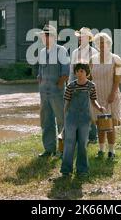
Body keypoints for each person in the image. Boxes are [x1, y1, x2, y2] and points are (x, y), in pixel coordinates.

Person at [61, 63, 105, 177]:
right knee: (69, 143)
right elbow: (66, 103)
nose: (79, 74)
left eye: (82, 71)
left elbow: (93, 100)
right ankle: (66, 170)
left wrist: (99, 107)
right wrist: (64, 118)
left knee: (82, 144)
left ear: (87, 73)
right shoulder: (70, 86)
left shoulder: (91, 86)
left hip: (85, 119)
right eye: (77, 71)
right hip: (71, 118)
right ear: (75, 73)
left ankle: (82, 170)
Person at [37, 24, 70, 157]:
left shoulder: (61, 50)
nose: (45, 38)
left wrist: (59, 85)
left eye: (48, 35)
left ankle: (63, 149)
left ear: (54, 37)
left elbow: (65, 73)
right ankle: (49, 149)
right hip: (44, 93)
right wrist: (40, 82)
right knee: (46, 121)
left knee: (61, 120)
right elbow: (40, 72)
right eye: (44, 35)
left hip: (57, 92)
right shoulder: (42, 52)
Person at [90, 32, 121, 160]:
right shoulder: (92, 59)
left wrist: (113, 93)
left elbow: (118, 79)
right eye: (99, 43)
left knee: (110, 124)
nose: (101, 45)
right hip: (97, 95)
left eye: (104, 42)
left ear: (109, 44)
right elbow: (89, 76)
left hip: (111, 95)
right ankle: (101, 149)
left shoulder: (116, 59)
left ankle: (111, 151)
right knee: (99, 123)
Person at [69, 27, 99, 144]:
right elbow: (72, 70)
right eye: (80, 36)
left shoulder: (94, 52)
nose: (81, 38)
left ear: (89, 38)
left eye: (83, 36)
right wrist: (70, 86)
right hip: (76, 85)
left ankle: (92, 137)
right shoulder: (75, 52)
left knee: (90, 110)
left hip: (89, 85)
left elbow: (95, 71)